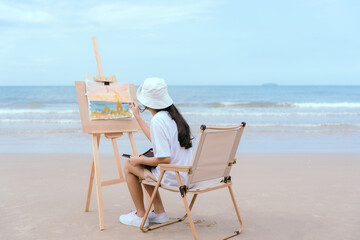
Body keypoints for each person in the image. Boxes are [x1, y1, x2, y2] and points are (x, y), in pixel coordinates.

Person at [119, 77, 193, 227]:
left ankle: (140, 215)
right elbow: (156, 139)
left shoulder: (158, 120)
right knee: (146, 164)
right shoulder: (173, 116)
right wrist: (138, 116)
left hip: (173, 175)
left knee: (129, 166)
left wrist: (138, 160)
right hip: (187, 173)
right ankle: (159, 213)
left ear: (146, 102)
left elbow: (164, 159)